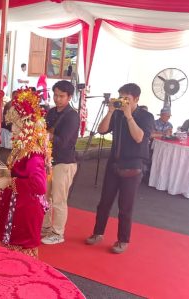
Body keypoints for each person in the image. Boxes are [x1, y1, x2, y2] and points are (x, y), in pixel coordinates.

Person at [86, 83, 154, 254]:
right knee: (104, 203)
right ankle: (97, 233)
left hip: (133, 166)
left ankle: (123, 240)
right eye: (121, 98)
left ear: (136, 99)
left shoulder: (146, 116)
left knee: (125, 206)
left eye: (127, 99)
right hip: (114, 163)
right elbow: (101, 130)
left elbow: (139, 138)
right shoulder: (116, 114)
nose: (123, 102)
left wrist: (129, 116)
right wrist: (110, 111)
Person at [0, 88, 51, 258]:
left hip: (25, 210)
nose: (13, 130)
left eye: (16, 125)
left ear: (26, 124)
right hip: (18, 205)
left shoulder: (33, 152)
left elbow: (40, 186)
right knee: (12, 250)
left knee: (22, 255)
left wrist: (10, 182)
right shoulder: (23, 147)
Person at [41, 81, 80, 245]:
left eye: (61, 96)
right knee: (44, 197)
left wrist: (45, 135)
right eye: (55, 95)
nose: (57, 99)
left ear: (69, 97)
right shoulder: (51, 112)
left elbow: (64, 141)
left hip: (64, 163)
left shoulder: (72, 116)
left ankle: (58, 232)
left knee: (58, 199)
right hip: (49, 160)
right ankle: (46, 227)